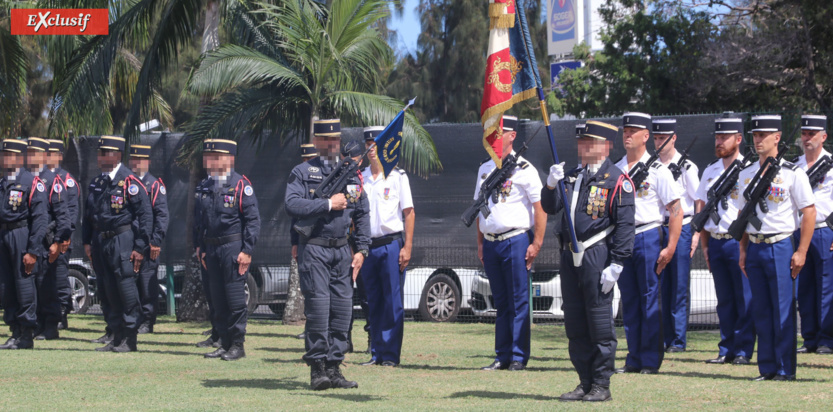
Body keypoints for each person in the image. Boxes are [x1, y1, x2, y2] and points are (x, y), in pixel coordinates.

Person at [543, 121, 635, 402]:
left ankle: (601, 384)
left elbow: (625, 225)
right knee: (575, 322)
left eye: (590, 142)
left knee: (599, 322)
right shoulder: (572, 177)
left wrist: (617, 264)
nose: (584, 147)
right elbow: (550, 207)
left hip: (597, 255)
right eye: (581, 142)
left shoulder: (617, 180)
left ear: (606, 146)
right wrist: (550, 184)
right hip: (570, 256)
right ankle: (584, 381)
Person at [285, 119, 370, 390]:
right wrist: (327, 204)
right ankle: (318, 370)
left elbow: (362, 212)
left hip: (342, 250)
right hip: (316, 248)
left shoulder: (351, 173)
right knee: (319, 311)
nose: (331, 144)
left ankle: (335, 368)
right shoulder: (302, 171)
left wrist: (363, 249)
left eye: (335, 139)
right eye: (325, 140)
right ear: (317, 142)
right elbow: (292, 204)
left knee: (343, 312)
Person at [735, 115, 816, 381]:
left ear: (777, 138)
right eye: (755, 136)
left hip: (781, 245)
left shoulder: (793, 173)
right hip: (755, 247)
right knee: (761, 309)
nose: (758, 140)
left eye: (763, 136)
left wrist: (801, 251)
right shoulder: (745, 174)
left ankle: (784, 368)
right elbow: (744, 217)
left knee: (783, 309)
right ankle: (767, 366)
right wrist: (743, 250)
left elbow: (809, 212)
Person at [614, 112, 683, 374]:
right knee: (629, 301)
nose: (627, 135)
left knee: (649, 299)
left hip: (648, 236)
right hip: (622, 239)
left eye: (633, 131)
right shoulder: (617, 169)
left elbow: (675, 210)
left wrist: (671, 246)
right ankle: (633, 358)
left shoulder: (658, 171)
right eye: (625, 131)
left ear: (646, 136)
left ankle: (650, 361)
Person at [475, 115, 546, 372]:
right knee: (501, 302)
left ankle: (518, 356)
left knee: (518, 301)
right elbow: (479, 209)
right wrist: (481, 243)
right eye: (491, 133)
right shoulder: (485, 169)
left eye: (499, 132)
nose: (493, 137)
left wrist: (536, 243)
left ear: (512, 135)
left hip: (516, 240)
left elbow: (540, 208)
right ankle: (501, 355)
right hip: (492, 243)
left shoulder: (526, 170)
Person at [82, 136, 153, 353]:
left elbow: (146, 215)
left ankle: (130, 338)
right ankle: (116, 336)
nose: (101, 157)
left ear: (118, 155)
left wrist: (140, 247)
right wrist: (86, 242)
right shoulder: (98, 182)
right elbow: (89, 214)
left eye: (107, 153)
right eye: (100, 153)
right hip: (102, 241)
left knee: (126, 289)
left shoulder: (130, 182)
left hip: (123, 239)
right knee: (109, 290)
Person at [194, 139, 261, 361]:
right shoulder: (204, 186)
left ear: (229, 159)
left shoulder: (241, 185)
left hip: (233, 247)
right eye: (208, 157)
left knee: (234, 299)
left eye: (216, 157)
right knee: (217, 299)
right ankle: (223, 342)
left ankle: (237, 345)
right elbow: (200, 221)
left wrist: (247, 250)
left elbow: (252, 221)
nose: (210, 161)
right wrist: (201, 247)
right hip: (211, 248)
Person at [696, 117, 755, 365]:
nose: (719, 142)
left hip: (738, 240)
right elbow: (701, 204)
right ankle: (726, 348)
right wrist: (705, 244)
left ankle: (742, 350)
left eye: (725, 138)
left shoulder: (748, 169)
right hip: (716, 241)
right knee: (724, 299)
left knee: (744, 297)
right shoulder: (710, 170)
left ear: (738, 139)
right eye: (717, 138)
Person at [358, 125, 415, 367]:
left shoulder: (398, 176)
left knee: (392, 301)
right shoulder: (360, 178)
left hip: (391, 244)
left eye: (376, 143)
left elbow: (409, 213)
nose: (372, 149)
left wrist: (408, 247)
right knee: (373, 300)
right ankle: (376, 352)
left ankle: (390, 355)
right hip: (368, 246)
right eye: (368, 144)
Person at [653, 119, 700, 353]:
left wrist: (696, 233)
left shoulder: (687, 167)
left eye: (663, 138)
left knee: (679, 284)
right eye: (656, 138)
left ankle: (678, 340)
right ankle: (663, 335)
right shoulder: (651, 167)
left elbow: (698, 199)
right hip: (658, 226)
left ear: (673, 138)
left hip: (682, 227)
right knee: (660, 284)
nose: (659, 143)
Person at [0, 139, 48, 350]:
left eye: (9, 154)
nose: (5, 158)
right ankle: (15, 331)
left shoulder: (31, 182)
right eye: (3, 154)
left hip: (21, 234)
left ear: (20, 158)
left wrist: (32, 250)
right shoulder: (2, 182)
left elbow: (40, 219)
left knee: (24, 284)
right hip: (4, 235)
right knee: (6, 286)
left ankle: (27, 333)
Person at [793, 114, 833, 355]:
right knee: (804, 287)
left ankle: (826, 339)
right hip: (799, 232)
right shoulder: (795, 166)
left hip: (824, 231)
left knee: (826, 286)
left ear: (823, 137)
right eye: (805, 134)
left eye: (812, 134)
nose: (807, 138)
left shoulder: (832, 164)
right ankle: (809, 338)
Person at [27, 138, 71, 341]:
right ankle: (37, 324)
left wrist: (58, 242)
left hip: (48, 242)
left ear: (44, 156)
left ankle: (51, 326)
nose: (31, 157)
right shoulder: (27, 179)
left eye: (35, 153)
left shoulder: (54, 181)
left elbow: (63, 216)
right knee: (33, 286)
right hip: (31, 241)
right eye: (28, 153)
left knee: (47, 285)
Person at [128, 145, 169, 334]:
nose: (136, 163)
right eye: (133, 160)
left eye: (140, 160)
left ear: (148, 162)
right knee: (130, 284)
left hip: (147, 243)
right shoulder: (126, 184)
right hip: (128, 242)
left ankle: (147, 320)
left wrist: (156, 241)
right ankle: (133, 318)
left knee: (146, 284)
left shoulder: (154, 185)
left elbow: (161, 216)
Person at [47, 139, 80, 330]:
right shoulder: (42, 177)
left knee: (60, 277)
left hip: (60, 237)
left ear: (59, 156)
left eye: (52, 153)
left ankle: (61, 315)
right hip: (45, 237)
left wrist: (66, 237)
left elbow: (72, 211)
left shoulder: (67, 180)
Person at [291, 143, 319, 343]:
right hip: (304, 240)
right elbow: (295, 217)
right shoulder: (300, 181)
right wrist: (294, 242)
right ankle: (311, 326)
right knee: (308, 288)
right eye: (303, 160)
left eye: (309, 159)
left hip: (324, 241)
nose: (306, 163)